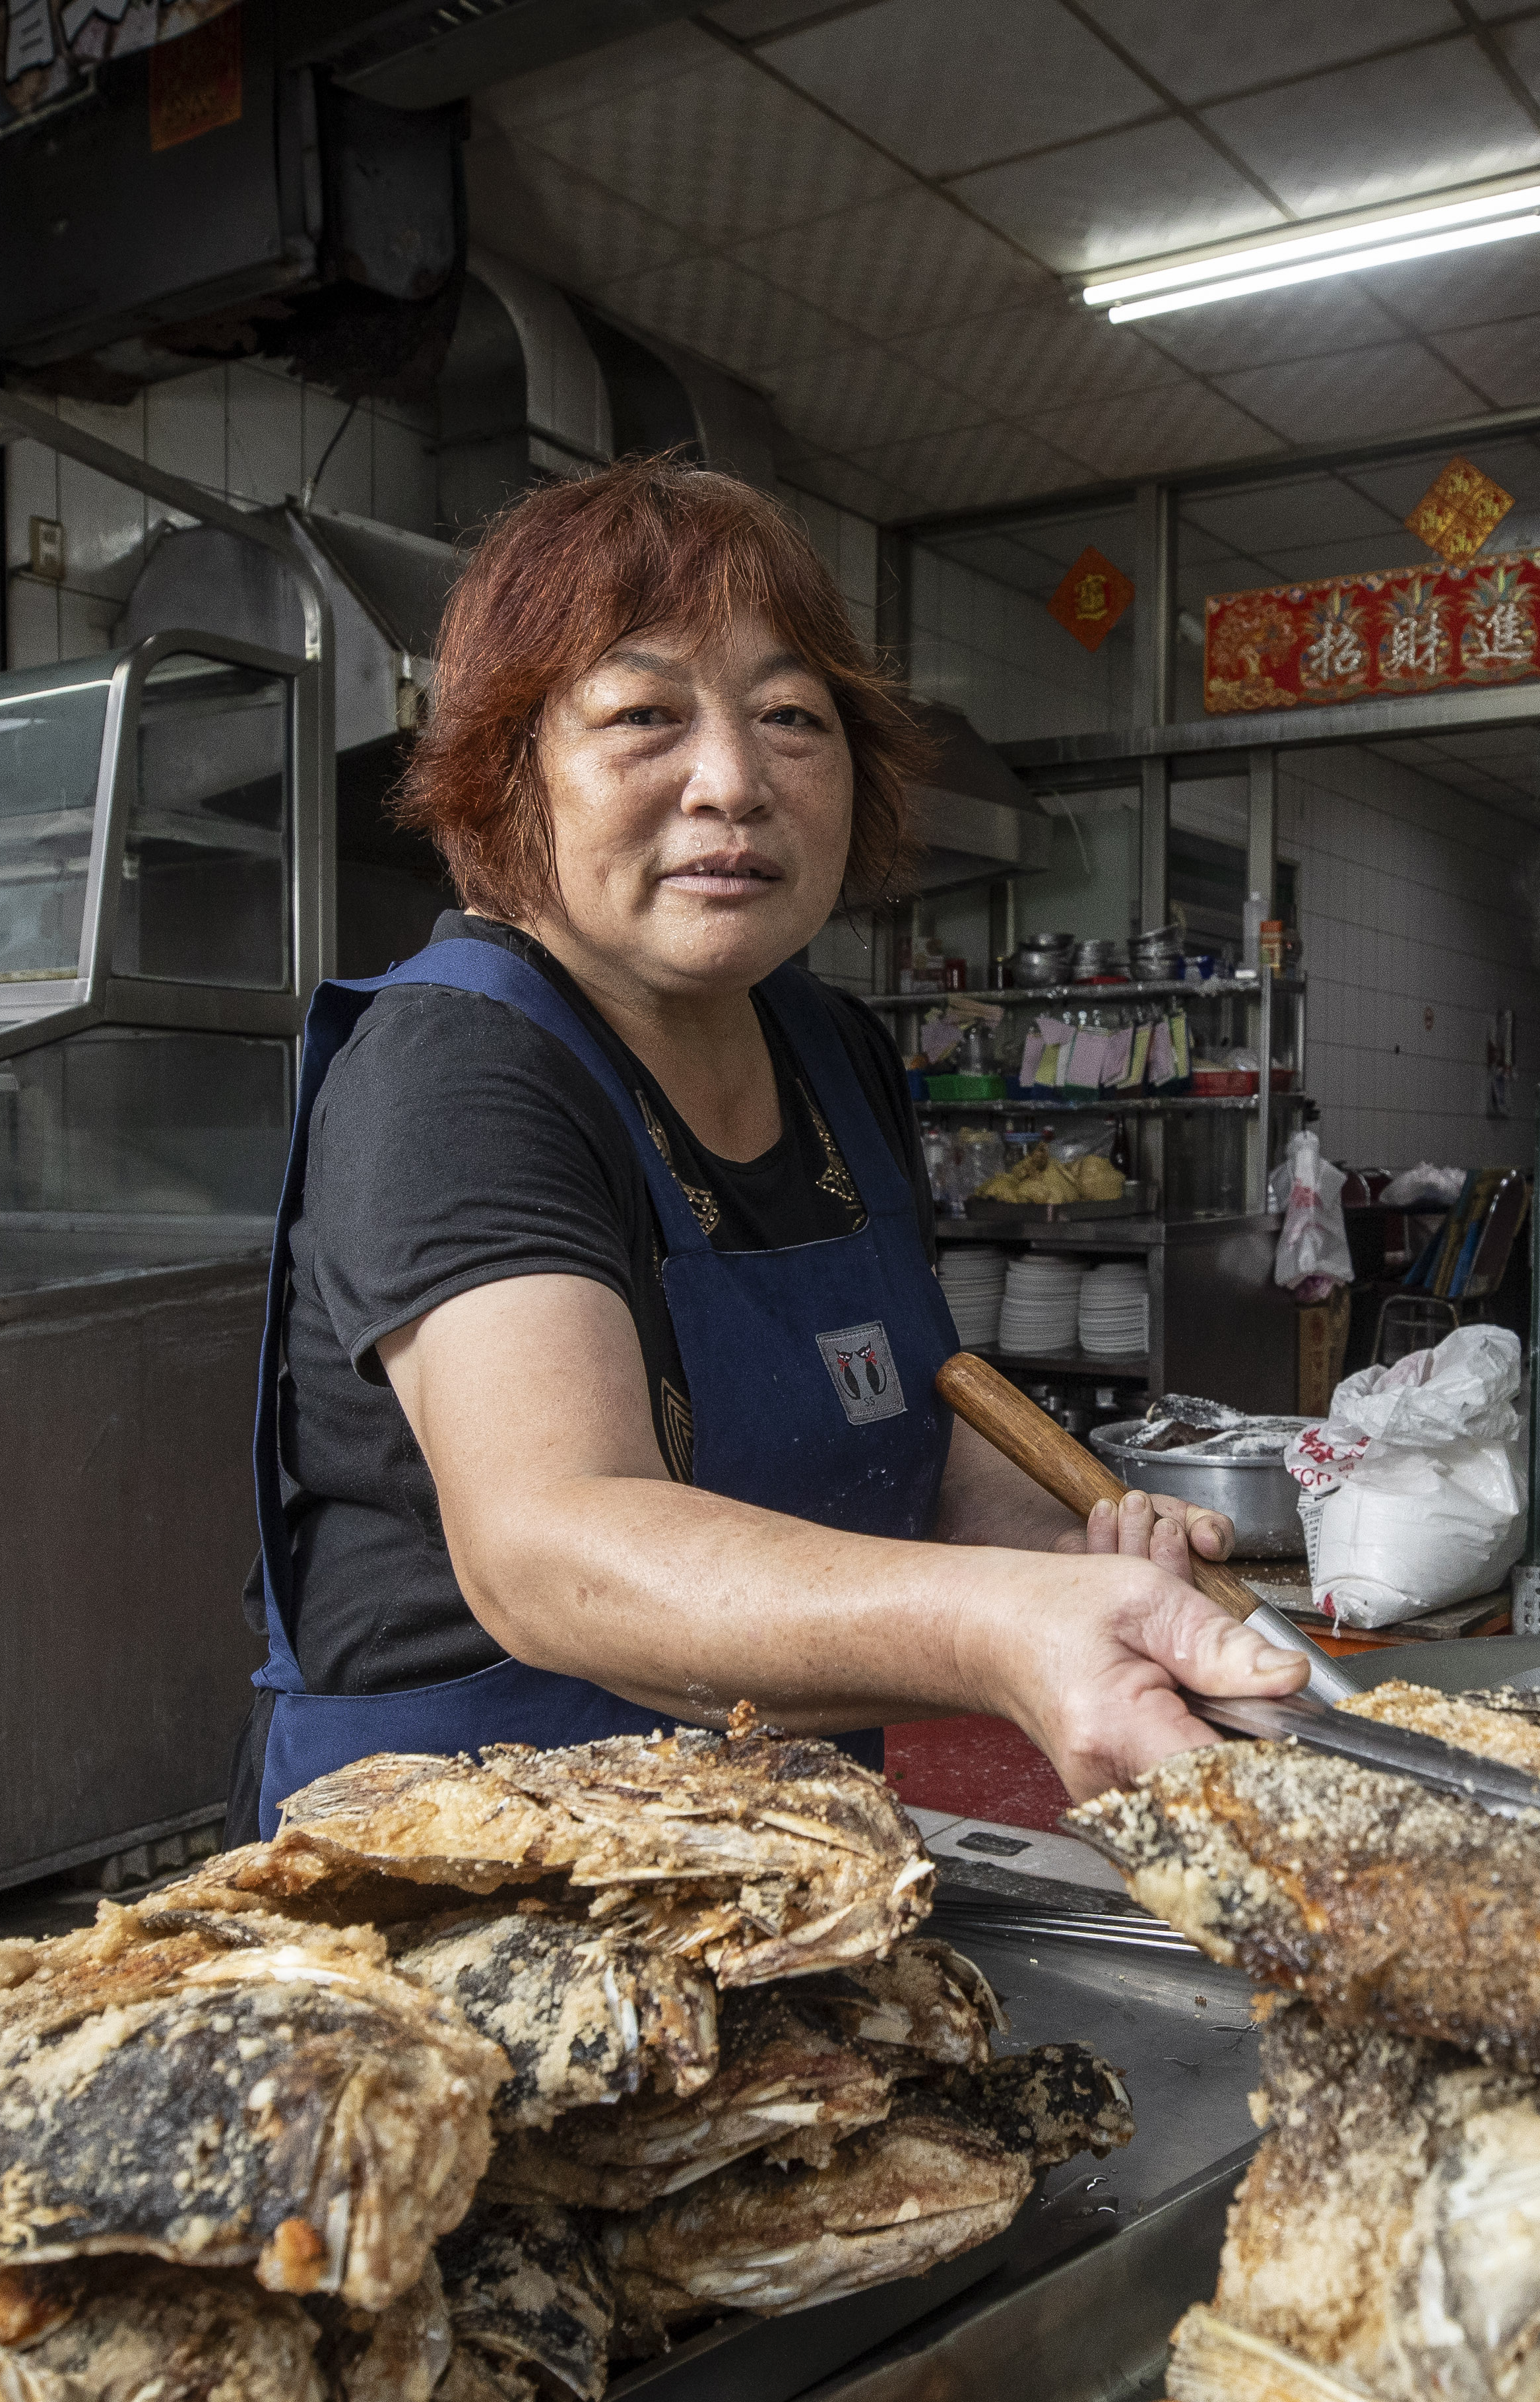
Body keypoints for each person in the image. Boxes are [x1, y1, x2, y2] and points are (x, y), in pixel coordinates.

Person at [243, 459, 1305, 1834]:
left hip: (784, 1847)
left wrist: (1078, 1560)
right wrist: (1002, 1623)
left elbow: (918, 1430)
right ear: (509, 772)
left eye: (790, 716)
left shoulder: (831, 1046)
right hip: (462, 1854)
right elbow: (552, 1544)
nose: (733, 782)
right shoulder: (457, 1066)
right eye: (643, 715)